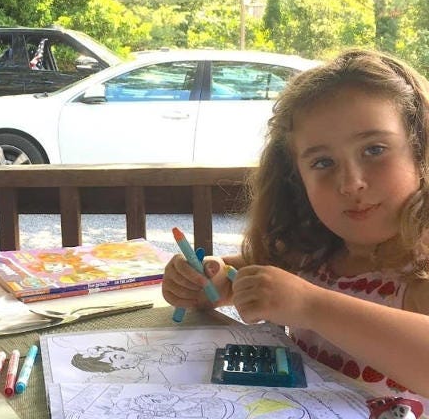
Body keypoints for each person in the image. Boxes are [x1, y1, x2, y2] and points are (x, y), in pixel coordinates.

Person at [162, 49, 429, 399]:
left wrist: (311, 307)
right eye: (322, 162)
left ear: (420, 151)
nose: (351, 183)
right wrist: (206, 280)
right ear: (296, 180)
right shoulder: (313, 254)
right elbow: (247, 276)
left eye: (374, 150)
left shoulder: (419, 267)